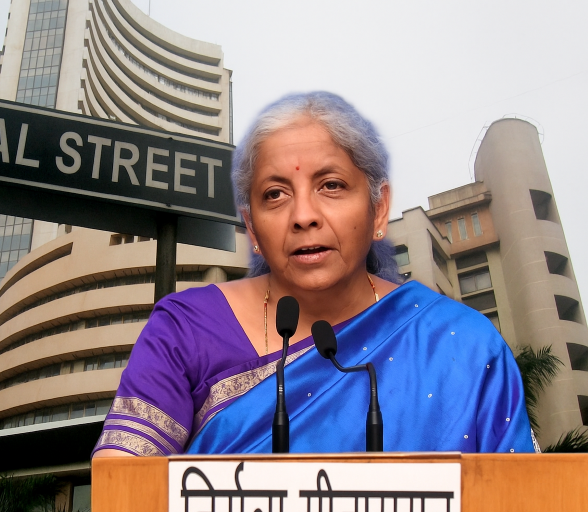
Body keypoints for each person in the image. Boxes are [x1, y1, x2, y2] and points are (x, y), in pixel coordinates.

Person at [92, 91, 537, 457]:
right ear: (253, 228)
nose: (303, 215)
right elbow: (124, 492)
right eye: (275, 194)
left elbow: (520, 505)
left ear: (379, 208)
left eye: (331, 185)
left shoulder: (462, 344)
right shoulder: (187, 327)